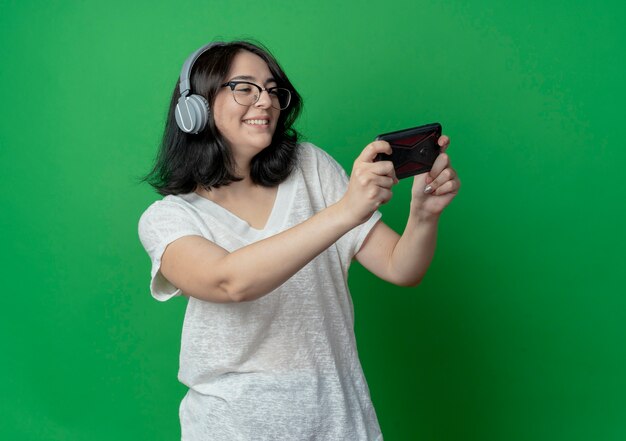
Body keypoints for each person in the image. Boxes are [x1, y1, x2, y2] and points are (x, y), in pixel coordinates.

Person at [138, 40, 460, 441]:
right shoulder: (169, 219)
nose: (265, 101)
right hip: (233, 429)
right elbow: (229, 281)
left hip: (341, 422)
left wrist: (423, 215)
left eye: (273, 90)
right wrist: (346, 211)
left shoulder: (310, 167)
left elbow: (401, 267)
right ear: (195, 109)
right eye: (245, 88)